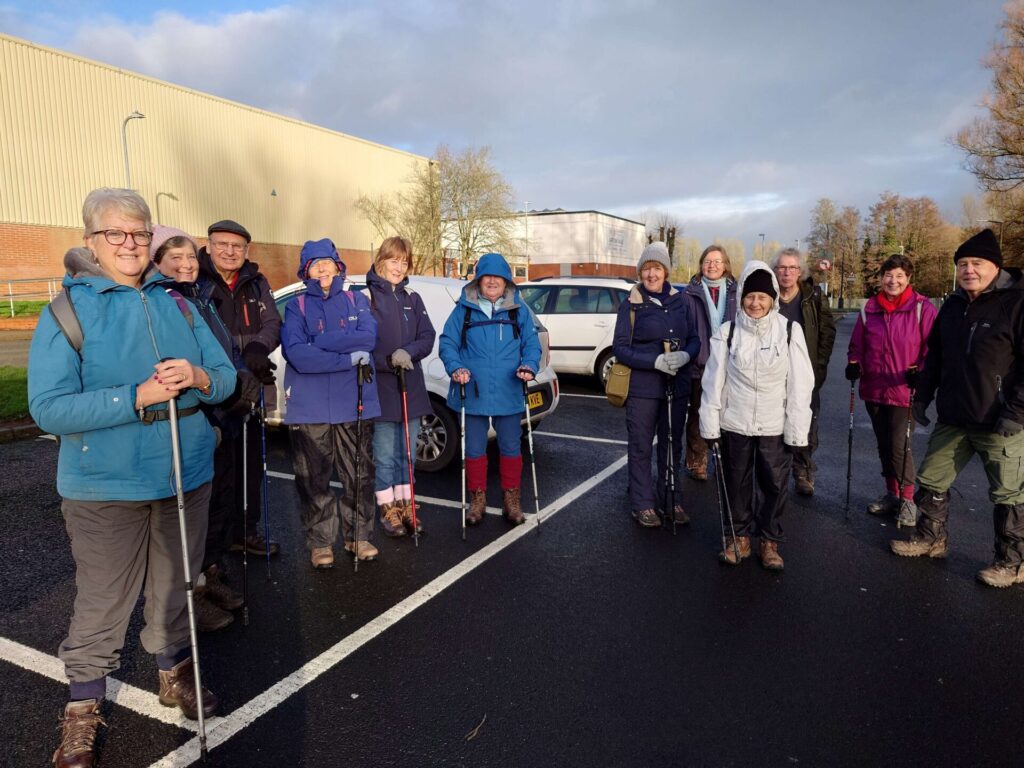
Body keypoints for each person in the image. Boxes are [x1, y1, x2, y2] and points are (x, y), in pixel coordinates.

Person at [29, 189, 236, 767]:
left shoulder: (178, 303)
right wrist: (136, 397)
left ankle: (174, 671)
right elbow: (48, 408)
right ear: (91, 240)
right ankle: (82, 709)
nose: (129, 244)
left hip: (184, 472)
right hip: (104, 486)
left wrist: (197, 373)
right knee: (102, 602)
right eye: (116, 234)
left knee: (177, 585)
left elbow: (224, 379)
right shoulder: (67, 310)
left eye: (139, 234)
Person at [891, 229, 1024, 588]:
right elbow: (936, 358)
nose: (969, 270)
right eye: (963, 264)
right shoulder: (952, 306)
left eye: (976, 263)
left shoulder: (1016, 304)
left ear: (995, 266)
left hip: (1000, 420)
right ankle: (931, 538)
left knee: (1008, 494)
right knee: (932, 479)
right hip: (955, 418)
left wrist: (1016, 412)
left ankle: (1011, 562)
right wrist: (922, 397)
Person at [152, 225, 261, 631]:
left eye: (189, 257)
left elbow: (218, 353)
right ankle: (190, 597)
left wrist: (238, 378)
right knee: (191, 517)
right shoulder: (164, 303)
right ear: (156, 261)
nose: (185, 264)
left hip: (221, 415)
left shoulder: (200, 298)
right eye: (173, 257)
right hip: (197, 419)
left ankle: (210, 575)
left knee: (217, 507)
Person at [700, 260, 814, 570]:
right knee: (735, 483)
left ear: (773, 298)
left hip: (773, 426)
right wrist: (709, 423)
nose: (755, 303)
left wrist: (797, 429)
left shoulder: (790, 331)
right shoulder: (729, 331)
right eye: (750, 296)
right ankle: (738, 538)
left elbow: (801, 385)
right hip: (735, 423)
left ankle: (769, 541)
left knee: (775, 486)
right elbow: (713, 381)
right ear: (743, 298)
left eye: (762, 297)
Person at [281, 239, 381, 568]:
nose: (322, 268)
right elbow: (297, 353)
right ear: (305, 270)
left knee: (360, 474)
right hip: (309, 407)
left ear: (339, 266)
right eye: (314, 263)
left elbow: (368, 338)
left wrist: (320, 342)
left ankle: (359, 536)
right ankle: (321, 542)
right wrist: (345, 357)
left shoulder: (357, 299)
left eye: (327, 261)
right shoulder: (297, 307)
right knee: (313, 479)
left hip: (353, 401)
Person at [198, 219, 282, 556]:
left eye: (237, 246)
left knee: (249, 467)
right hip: (214, 392)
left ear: (247, 251)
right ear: (209, 245)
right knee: (219, 474)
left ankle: (244, 531)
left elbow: (273, 321)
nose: (230, 252)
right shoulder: (197, 281)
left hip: (251, 388)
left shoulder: (256, 281)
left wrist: (258, 347)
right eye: (223, 244)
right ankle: (211, 550)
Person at [438, 252, 541, 525]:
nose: (493, 281)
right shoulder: (464, 309)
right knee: (474, 448)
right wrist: (455, 367)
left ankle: (511, 499)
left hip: (509, 390)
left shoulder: (519, 311)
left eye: (498, 277)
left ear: (507, 281)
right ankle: (477, 499)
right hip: (473, 390)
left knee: (510, 447)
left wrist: (529, 365)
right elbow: (447, 342)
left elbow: (532, 345)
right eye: (487, 277)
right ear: (479, 280)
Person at [612, 241, 700, 527]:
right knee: (640, 446)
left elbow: (695, 339)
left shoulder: (682, 300)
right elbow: (621, 348)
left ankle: (670, 499)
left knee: (672, 444)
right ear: (641, 272)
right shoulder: (631, 305)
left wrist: (686, 354)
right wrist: (654, 362)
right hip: (643, 388)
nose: (652, 274)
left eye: (657, 268)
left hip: (677, 385)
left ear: (666, 271)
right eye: (647, 268)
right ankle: (643, 503)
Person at [845, 254, 936, 526]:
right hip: (873, 387)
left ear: (908, 279)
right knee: (884, 445)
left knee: (900, 446)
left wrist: (920, 371)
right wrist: (854, 364)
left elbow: (932, 349)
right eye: (888, 275)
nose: (893, 281)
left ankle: (908, 500)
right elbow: (857, 346)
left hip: (902, 389)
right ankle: (892, 494)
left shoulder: (921, 308)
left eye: (899, 276)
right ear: (881, 278)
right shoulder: (869, 309)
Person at [366, 237, 436, 537]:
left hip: (411, 389)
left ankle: (407, 505)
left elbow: (427, 335)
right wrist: (386, 361)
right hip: (381, 391)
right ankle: (387, 509)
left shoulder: (413, 298)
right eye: (394, 260)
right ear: (382, 260)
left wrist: (409, 352)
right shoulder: (365, 298)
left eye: (404, 262)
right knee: (384, 456)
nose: (399, 267)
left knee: (407, 455)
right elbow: (361, 347)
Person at [771, 247, 836, 496]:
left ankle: (803, 471)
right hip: (775, 373)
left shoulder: (813, 297)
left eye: (792, 268)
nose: (786, 272)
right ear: (775, 271)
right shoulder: (770, 296)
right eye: (782, 268)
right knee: (775, 423)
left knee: (807, 424)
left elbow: (827, 333)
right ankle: (778, 471)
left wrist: (818, 368)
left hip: (806, 373)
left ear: (800, 272)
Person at [682, 244, 737, 480]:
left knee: (728, 416)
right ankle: (697, 462)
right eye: (707, 261)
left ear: (725, 265)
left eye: (717, 261)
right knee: (697, 415)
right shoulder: (689, 293)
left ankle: (726, 462)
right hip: (699, 365)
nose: (712, 265)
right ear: (701, 265)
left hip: (730, 365)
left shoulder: (737, 292)